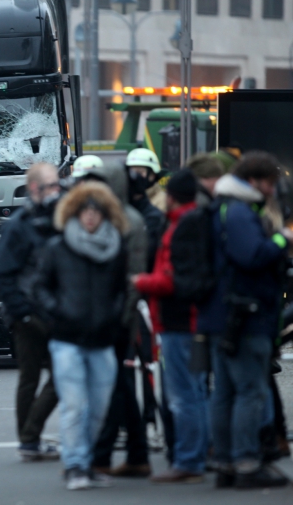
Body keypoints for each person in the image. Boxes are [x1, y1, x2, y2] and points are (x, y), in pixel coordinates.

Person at [199, 152, 293, 489]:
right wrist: (283, 239)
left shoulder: (222, 208)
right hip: (245, 316)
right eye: (268, 183)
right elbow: (252, 255)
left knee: (224, 392)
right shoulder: (240, 212)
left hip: (221, 315)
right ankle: (246, 462)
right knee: (249, 392)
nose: (271, 191)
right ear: (254, 181)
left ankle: (225, 461)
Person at [35, 181, 128, 490]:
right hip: (67, 339)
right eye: (85, 210)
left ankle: (85, 463)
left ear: (105, 214)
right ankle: (75, 465)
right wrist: (57, 312)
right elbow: (40, 286)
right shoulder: (57, 247)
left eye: (96, 211)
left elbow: (121, 289)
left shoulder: (115, 248)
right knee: (75, 405)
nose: (90, 216)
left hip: (102, 339)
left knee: (99, 408)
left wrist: (114, 315)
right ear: (75, 212)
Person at [133, 169, 208, 483]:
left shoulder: (182, 225)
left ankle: (189, 461)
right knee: (197, 391)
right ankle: (199, 454)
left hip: (178, 322)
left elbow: (173, 277)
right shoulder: (196, 220)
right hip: (191, 320)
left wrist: (140, 281)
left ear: (172, 195)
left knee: (182, 394)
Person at [85, 164, 151, 478]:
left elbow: (131, 279)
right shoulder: (114, 218)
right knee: (119, 387)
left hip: (118, 319)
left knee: (113, 388)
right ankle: (136, 453)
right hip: (109, 315)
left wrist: (121, 320)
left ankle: (102, 455)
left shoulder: (128, 221)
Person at [0, 163, 61, 461]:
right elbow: (3, 273)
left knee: (57, 377)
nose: (58, 192)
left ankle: (29, 438)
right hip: (28, 315)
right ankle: (29, 439)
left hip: (53, 312)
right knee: (34, 377)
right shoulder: (18, 225)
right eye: (52, 187)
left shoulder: (57, 219)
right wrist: (21, 312)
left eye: (59, 185)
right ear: (35, 189)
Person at [125, 148, 165, 269]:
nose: (134, 177)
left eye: (140, 172)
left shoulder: (162, 202)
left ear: (152, 175)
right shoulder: (129, 201)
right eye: (131, 172)